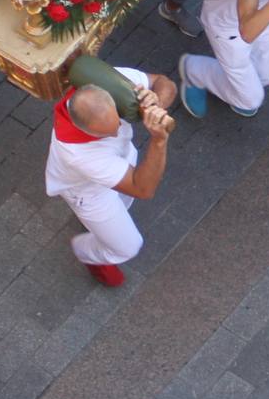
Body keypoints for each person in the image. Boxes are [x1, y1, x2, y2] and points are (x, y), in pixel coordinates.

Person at [44, 65, 177, 287]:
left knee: (124, 204)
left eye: (117, 122)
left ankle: (102, 232)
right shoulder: (78, 153)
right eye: (106, 134)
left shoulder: (115, 84)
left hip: (120, 163)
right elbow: (143, 188)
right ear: (85, 130)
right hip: (87, 192)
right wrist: (159, 140)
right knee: (128, 246)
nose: (117, 132)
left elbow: (164, 82)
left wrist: (156, 103)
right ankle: (86, 251)